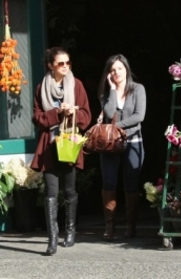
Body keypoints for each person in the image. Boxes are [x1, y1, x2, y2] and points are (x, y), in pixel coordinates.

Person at [31, 47, 92, 255]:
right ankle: (52, 238)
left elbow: (86, 115)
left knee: (69, 191)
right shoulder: (41, 88)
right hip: (49, 144)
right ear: (51, 66)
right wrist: (57, 113)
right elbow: (37, 118)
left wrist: (73, 111)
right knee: (50, 192)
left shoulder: (77, 86)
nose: (65, 66)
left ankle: (71, 231)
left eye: (68, 63)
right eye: (60, 63)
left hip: (69, 143)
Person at [97, 54, 146, 241]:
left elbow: (139, 116)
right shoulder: (106, 93)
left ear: (126, 69)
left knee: (131, 184)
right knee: (109, 184)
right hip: (110, 145)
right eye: (112, 70)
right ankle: (109, 226)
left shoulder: (137, 89)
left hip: (133, 142)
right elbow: (109, 113)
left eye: (119, 68)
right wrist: (112, 90)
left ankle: (131, 226)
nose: (116, 72)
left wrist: (117, 127)